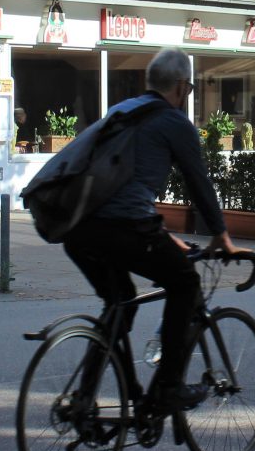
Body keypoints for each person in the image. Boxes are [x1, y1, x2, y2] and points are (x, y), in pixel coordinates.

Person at [63, 47, 235, 414]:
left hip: (79, 228)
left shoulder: (120, 112)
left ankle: (83, 400)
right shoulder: (175, 123)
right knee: (186, 283)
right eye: (188, 90)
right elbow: (198, 183)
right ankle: (168, 388)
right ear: (181, 87)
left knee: (119, 300)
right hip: (124, 226)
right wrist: (220, 235)